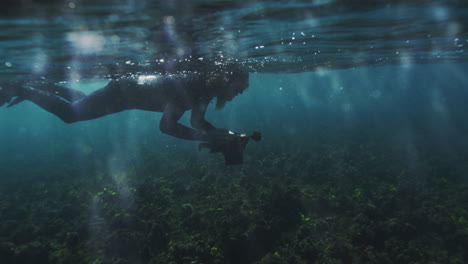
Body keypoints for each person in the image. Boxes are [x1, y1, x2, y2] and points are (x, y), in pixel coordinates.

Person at [0, 68, 260, 164]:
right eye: (240, 87)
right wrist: (215, 139)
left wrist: (223, 135)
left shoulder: (204, 91)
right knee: (71, 115)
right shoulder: (194, 88)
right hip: (123, 93)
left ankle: (48, 87)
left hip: (126, 95)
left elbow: (197, 123)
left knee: (83, 103)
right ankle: (18, 88)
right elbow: (167, 127)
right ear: (226, 79)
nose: (240, 92)